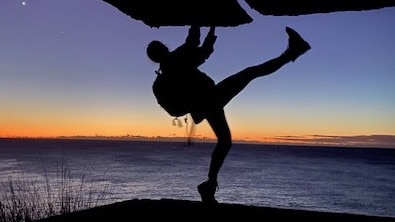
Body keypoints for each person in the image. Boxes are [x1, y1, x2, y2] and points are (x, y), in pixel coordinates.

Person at [146, 25, 311, 205]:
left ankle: (209, 185)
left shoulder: (165, 74)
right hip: (211, 98)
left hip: (208, 102)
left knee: (225, 140)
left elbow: (197, 49)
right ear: (164, 49)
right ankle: (293, 52)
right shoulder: (175, 62)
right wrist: (201, 22)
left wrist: (209, 29)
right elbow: (195, 44)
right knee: (251, 73)